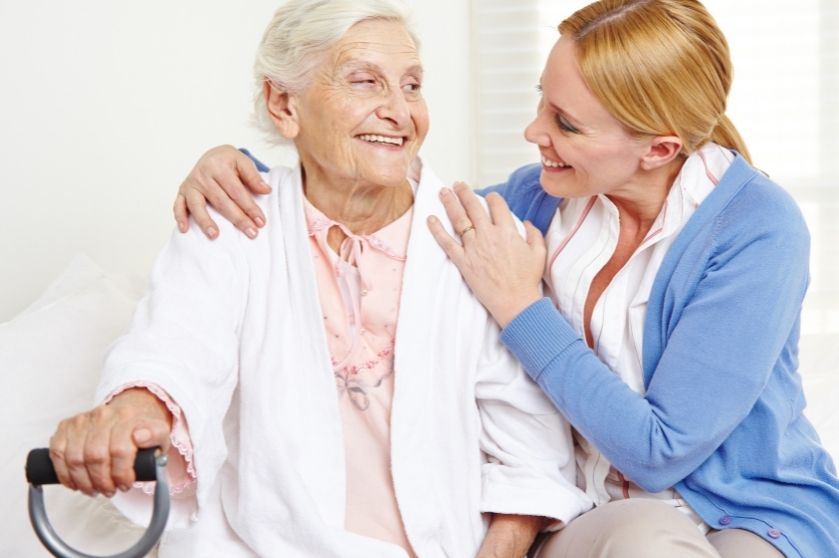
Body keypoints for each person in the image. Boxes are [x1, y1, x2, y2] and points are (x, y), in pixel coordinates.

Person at [173, 0, 839, 557]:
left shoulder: (756, 229)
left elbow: (660, 452)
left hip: (746, 511)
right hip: (594, 516)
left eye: (565, 124)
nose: (532, 133)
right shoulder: (538, 198)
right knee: (643, 545)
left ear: (659, 149)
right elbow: (383, 193)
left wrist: (521, 307)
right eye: (541, 104)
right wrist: (238, 167)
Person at [46, 1, 594, 556]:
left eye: (411, 85)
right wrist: (133, 412)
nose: (399, 112)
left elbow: (530, 449)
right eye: (365, 82)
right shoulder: (231, 226)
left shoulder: (476, 240)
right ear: (284, 104)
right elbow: (176, 347)